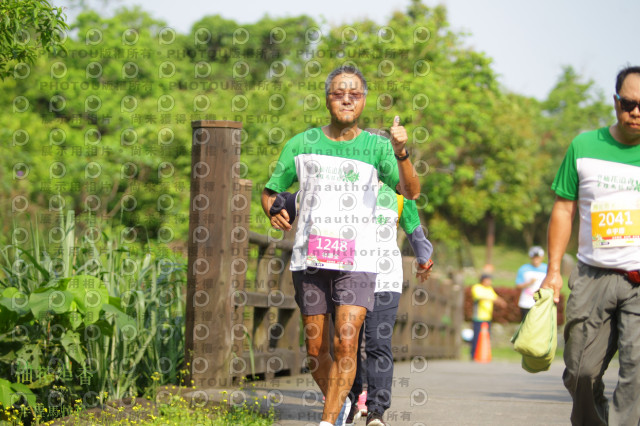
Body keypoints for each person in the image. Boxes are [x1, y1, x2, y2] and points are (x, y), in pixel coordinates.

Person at [261, 65, 421, 426]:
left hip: (358, 260)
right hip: (310, 259)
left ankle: (328, 420)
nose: (346, 98)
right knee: (316, 350)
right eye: (338, 92)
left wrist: (401, 152)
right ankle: (346, 402)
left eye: (354, 93)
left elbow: (411, 192)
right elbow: (270, 191)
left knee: (346, 343)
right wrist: (272, 210)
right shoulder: (301, 143)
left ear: (363, 100)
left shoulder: (379, 147)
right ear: (327, 98)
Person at [540, 66, 640, 425]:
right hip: (592, 275)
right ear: (616, 102)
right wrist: (553, 272)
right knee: (580, 372)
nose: (636, 112)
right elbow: (564, 209)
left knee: (637, 374)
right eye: (629, 103)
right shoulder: (584, 146)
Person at [345, 182, 434, 426]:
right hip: (348, 277)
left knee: (378, 343)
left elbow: (415, 231)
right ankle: (350, 403)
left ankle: (376, 411)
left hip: (386, 279)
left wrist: (424, 259)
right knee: (346, 343)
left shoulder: (400, 196)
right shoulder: (348, 186)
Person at [470, 273, 506, 360]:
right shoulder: (477, 287)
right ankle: (473, 355)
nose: (490, 282)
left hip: (487, 317)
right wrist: (492, 299)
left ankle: (484, 355)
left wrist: (501, 302)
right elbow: (479, 297)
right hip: (478, 316)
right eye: (488, 280)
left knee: (486, 337)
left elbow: (495, 298)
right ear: (483, 280)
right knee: (476, 337)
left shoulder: (490, 289)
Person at [515, 246, 548, 321]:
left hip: (541, 303)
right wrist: (529, 283)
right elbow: (518, 285)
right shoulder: (524, 269)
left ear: (542, 257)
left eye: (538, 257)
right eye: (534, 257)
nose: (536, 259)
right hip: (526, 303)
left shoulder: (547, 268)